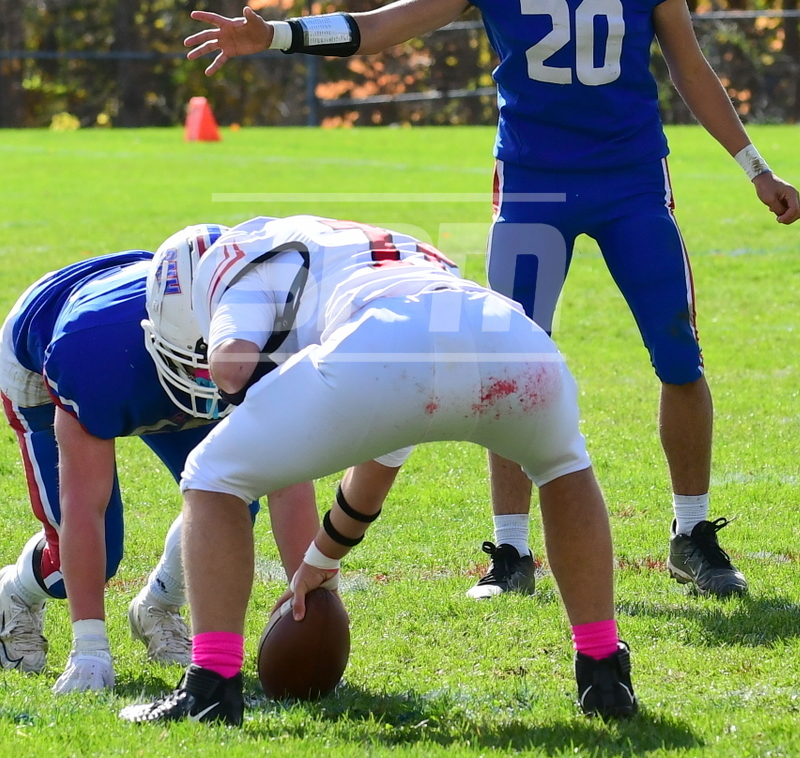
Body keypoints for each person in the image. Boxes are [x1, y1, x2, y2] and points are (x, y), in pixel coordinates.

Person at [181, 0, 800, 601]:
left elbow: (690, 68)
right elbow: (382, 28)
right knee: (506, 365)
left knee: (677, 354)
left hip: (629, 183)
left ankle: (692, 534)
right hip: (533, 187)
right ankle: (511, 553)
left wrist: (755, 166)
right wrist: (280, 35)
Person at [120, 214, 637, 727]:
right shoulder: (367, 249)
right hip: (510, 339)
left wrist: (256, 390)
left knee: (211, 475)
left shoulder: (237, 261)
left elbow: (232, 364)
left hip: (382, 349)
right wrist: (320, 559)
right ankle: (603, 671)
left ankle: (210, 687)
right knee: (563, 466)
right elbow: (377, 466)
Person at [0, 225, 318, 694]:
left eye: (217, 368)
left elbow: (289, 481)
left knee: (229, 503)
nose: (210, 386)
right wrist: (89, 649)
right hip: (50, 347)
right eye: (195, 369)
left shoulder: (270, 333)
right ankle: (17, 591)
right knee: (86, 557)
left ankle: (158, 605)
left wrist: (313, 592)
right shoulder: (90, 351)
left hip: (143, 338)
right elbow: (83, 504)